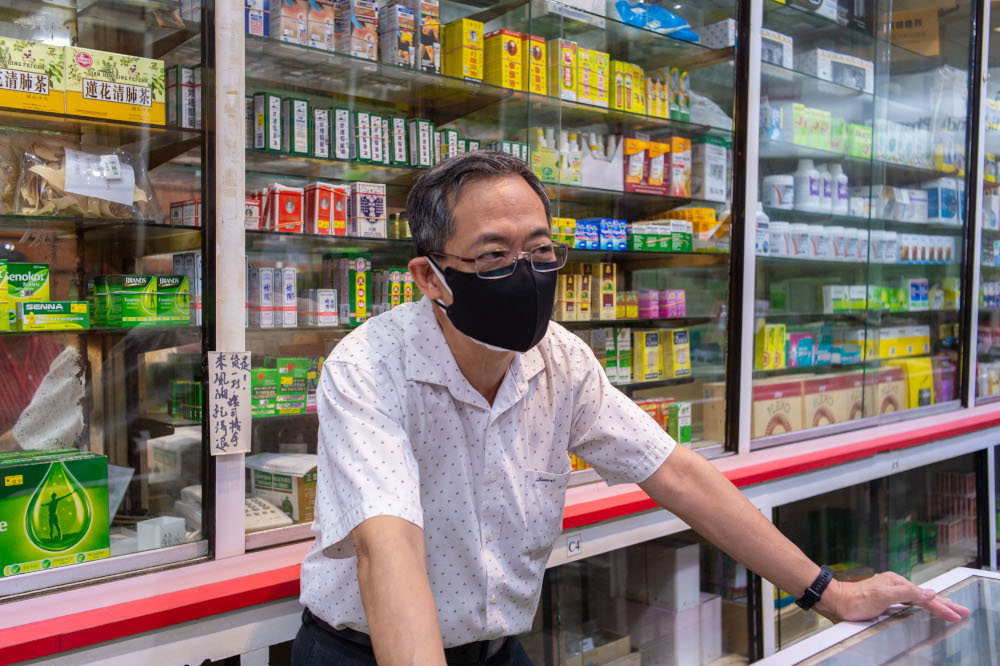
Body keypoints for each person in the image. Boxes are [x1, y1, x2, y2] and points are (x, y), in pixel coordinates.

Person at [293, 151, 969, 666]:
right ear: (430, 276)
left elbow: (674, 473)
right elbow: (389, 548)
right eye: (495, 256)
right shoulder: (369, 367)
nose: (526, 274)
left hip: (493, 649)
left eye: (540, 250)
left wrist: (830, 593)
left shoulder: (559, 359)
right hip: (365, 652)